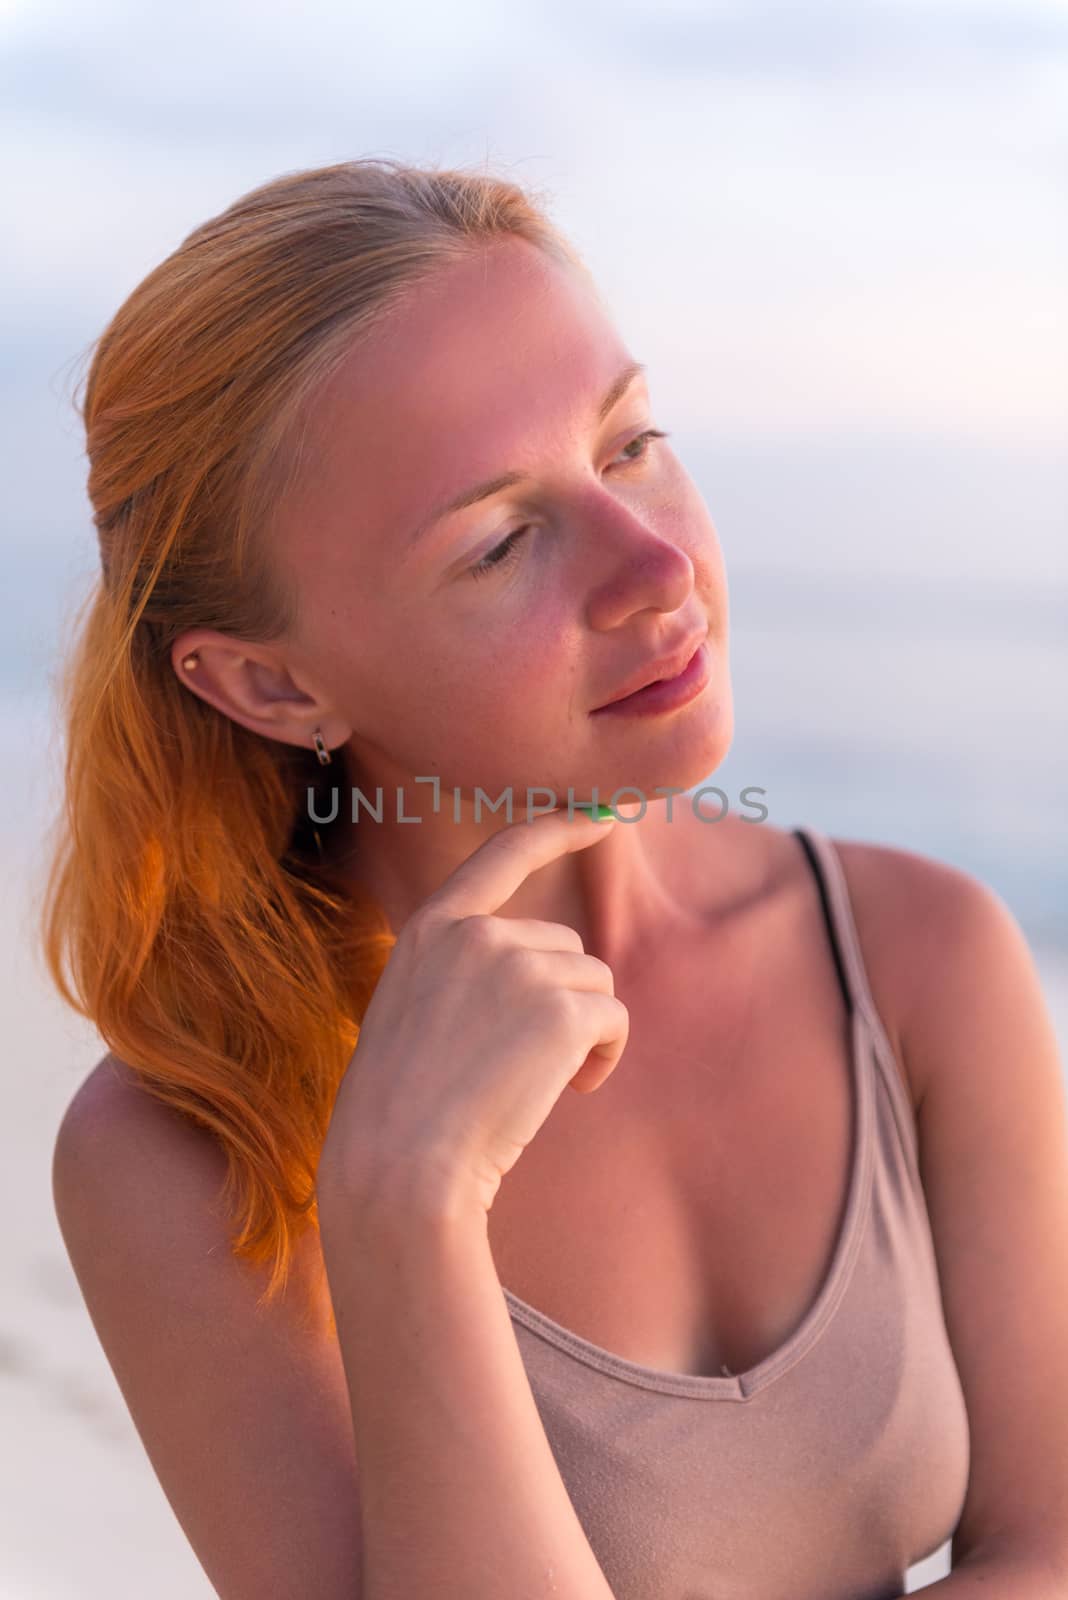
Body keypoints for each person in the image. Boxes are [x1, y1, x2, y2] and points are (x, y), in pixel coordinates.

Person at [42, 158, 1067, 1600]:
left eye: (632, 442)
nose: (658, 566)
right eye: (505, 540)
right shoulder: (192, 1148)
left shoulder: (922, 962)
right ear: (271, 684)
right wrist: (410, 1200)